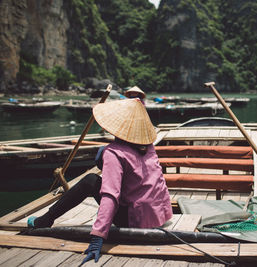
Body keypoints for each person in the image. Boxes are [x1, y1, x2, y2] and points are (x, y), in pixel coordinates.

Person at [27, 98, 173, 264]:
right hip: (159, 216)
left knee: (90, 180)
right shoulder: (148, 146)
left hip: (135, 222)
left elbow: (111, 195)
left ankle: (44, 220)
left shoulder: (114, 152)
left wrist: (98, 237)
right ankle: (46, 219)